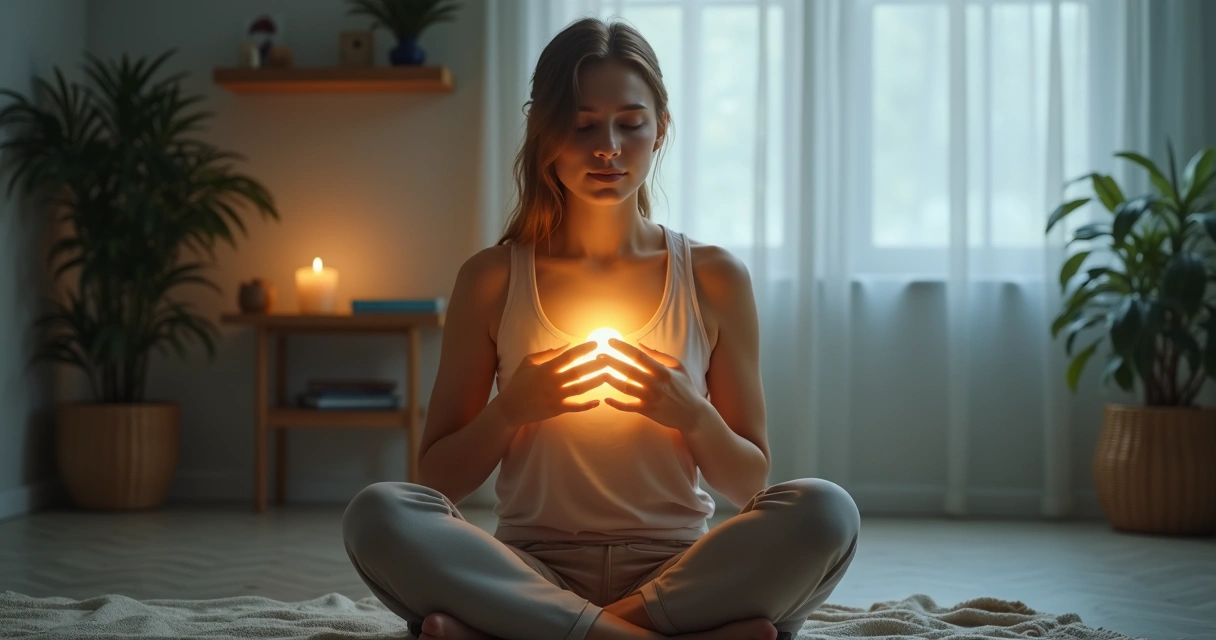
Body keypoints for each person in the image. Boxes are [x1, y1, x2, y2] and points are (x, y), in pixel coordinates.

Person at [342, 16, 860, 640]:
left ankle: (537, 632)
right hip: (531, 570)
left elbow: (750, 482)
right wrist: (514, 409)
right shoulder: (491, 279)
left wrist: (690, 413)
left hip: (677, 572)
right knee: (379, 513)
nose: (608, 147)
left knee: (826, 510)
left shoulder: (714, 277)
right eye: (582, 124)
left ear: (661, 128)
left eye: (630, 123)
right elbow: (438, 480)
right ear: (543, 131)